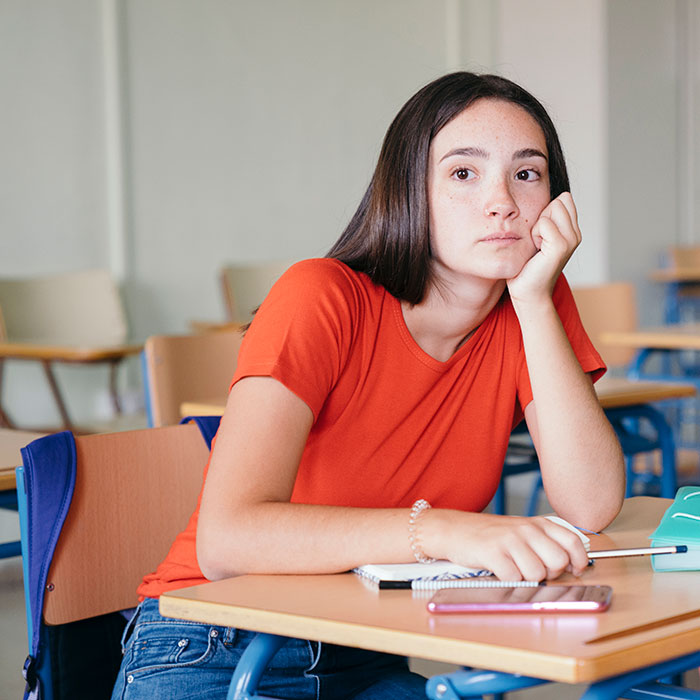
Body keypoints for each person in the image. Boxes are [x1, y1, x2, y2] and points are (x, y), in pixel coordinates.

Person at [111, 71, 625, 700]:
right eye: (464, 173)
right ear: (409, 189)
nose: (504, 203)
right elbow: (227, 540)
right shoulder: (321, 296)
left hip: (362, 645)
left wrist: (538, 303)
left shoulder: (533, 303)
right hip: (215, 640)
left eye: (527, 173)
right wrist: (442, 530)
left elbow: (591, 505)